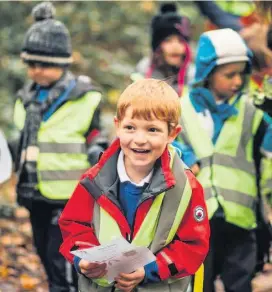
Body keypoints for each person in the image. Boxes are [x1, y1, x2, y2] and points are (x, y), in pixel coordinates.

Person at [59, 78, 210, 292]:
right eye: (130, 127)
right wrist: (84, 257)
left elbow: (193, 245)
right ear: (117, 126)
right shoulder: (94, 179)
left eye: (152, 130)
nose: (139, 139)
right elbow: (73, 225)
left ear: (172, 134)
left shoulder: (187, 187)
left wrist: (149, 269)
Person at [13, 2, 107, 292]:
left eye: (43, 64)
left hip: (69, 198)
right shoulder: (26, 98)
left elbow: (98, 138)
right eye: (31, 64)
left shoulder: (84, 97)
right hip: (34, 193)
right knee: (43, 253)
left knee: (62, 263)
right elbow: (23, 143)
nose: (36, 71)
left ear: (62, 63)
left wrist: (98, 155)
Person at [178, 28, 272, 292]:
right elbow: (168, 143)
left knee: (240, 283)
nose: (237, 81)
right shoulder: (182, 107)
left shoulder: (251, 108)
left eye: (241, 73)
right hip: (196, 219)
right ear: (207, 74)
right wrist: (184, 155)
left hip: (240, 219)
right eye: (229, 74)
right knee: (198, 285)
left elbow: (268, 148)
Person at [131, 3, 192, 97]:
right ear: (157, 47)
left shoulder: (193, 76)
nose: (175, 46)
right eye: (168, 41)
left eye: (180, 41)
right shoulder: (143, 72)